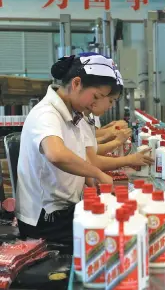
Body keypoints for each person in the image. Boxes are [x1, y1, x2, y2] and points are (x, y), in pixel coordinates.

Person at [15, 54, 117, 249]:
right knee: (116, 233)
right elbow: (56, 154)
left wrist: (91, 182)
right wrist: (97, 173)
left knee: (118, 215)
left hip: (64, 209)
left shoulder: (72, 114)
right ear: (77, 83)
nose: (95, 104)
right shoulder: (47, 113)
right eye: (95, 96)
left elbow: (78, 158)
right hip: (45, 219)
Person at [77, 56, 153, 172]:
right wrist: (126, 157)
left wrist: (108, 133)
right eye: (110, 100)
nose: (111, 106)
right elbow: (91, 159)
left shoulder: (83, 116)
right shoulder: (52, 114)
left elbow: (88, 149)